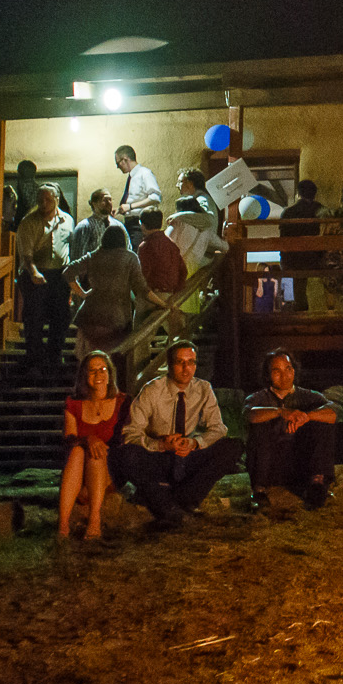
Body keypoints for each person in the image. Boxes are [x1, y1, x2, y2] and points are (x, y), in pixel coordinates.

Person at [115, 340, 242, 529]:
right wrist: (160, 444)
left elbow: (218, 428)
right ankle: (172, 508)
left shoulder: (203, 389)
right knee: (126, 455)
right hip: (158, 456)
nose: (186, 368)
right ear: (169, 364)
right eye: (180, 362)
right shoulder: (152, 390)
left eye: (191, 362)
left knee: (233, 446)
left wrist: (195, 443)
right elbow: (130, 433)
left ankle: (180, 500)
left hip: (186, 454)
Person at [67, 225, 167, 387]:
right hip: (116, 321)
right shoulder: (129, 258)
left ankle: (85, 395)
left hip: (89, 318)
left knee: (88, 363)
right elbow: (142, 290)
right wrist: (163, 304)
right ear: (124, 239)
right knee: (112, 365)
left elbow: (68, 272)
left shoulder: (94, 256)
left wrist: (83, 293)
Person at [244, 349, 339, 511]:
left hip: (300, 462)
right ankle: (259, 490)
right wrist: (281, 412)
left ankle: (317, 484)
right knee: (260, 422)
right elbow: (249, 415)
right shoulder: (258, 398)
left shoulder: (309, 396)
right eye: (277, 371)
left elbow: (333, 413)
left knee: (321, 420)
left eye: (288, 369)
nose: (284, 375)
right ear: (268, 375)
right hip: (269, 465)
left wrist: (306, 416)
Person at [58, 351, 125, 539]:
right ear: (84, 376)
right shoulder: (73, 404)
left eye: (103, 369)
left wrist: (97, 444)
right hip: (78, 473)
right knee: (79, 450)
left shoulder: (122, 403)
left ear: (110, 374)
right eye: (92, 371)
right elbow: (69, 439)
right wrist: (88, 439)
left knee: (96, 454)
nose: (98, 375)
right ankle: (63, 525)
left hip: (106, 471)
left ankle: (94, 520)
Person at [13, 183, 75, 372]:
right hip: (36, 272)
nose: (43, 203)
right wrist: (33, 273)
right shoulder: (29, 222)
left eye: (48, 199)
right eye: (40, 200)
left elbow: (70, 245)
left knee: (60, 316)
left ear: (56, 199)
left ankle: (55, 355)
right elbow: (26, 254)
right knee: (34, 317)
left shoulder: (67, 220)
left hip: (59, 274)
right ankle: (34, 357)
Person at [280, 180, 323, 309]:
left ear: (298, 194)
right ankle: (303, 306)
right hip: (314, 258)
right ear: (314, 194)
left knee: (293, 278)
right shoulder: (319, 209)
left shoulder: (288, 213)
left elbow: (283, 239)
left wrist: (284, 258)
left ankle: (294, 305)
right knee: (301, 283)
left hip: (293, 259)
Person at [114, 144, 162, 242]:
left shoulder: (144, 173)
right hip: (130, 223)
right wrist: (121, 209)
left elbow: (155, 197)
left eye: (118, 163)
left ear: (125, 159)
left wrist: (130, 206)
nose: (118, 167)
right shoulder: (132, 177)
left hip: (139, 224)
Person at [71, 188, 119, 262]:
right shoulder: (84, 226)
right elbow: (77, 255)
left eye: (110, 199)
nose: (109, 203)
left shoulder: (118, 226)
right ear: (94, 203)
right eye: (104, 200)